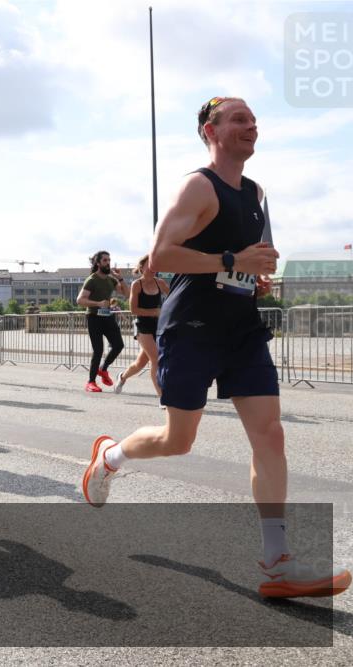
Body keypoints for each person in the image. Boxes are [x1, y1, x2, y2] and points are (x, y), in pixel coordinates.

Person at [82, 96, 350, 599]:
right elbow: (161, 256)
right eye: (238, 119)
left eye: (253, 118)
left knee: (270, 435)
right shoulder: (198, 186)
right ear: (210, 130)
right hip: (193, 326)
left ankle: (277, 563)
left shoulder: (255, 192)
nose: (251, 125)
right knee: (178, 441)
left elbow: (245, 260)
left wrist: (252, 274)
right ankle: (110, 456)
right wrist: (232, 258)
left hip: (242, 328)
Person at [114, 255, 170, 397]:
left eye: (154, 265)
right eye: (149, 265)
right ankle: (162, 397)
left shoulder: (160, 283)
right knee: (156, 359)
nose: (152, 268)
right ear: (141, 267)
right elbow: (133, 310)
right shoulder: (137, 285)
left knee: (140, 363)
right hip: (142, 326)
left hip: (157, 326)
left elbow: (174, 299)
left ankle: (122, 377)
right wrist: (154, 311)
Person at [76, 251, 129, 392]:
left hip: (108, 316)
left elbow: (127, 294)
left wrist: (120, 278)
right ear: (98, 263)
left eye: (109, 260)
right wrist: (98, 303)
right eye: (105, 260)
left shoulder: (111, 280)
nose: (108, 262)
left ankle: (103, 368)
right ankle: (91, 382)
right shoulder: (92, 280)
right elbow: (80, 300)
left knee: (118, 345)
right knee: (98, 350)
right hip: (94, 318)